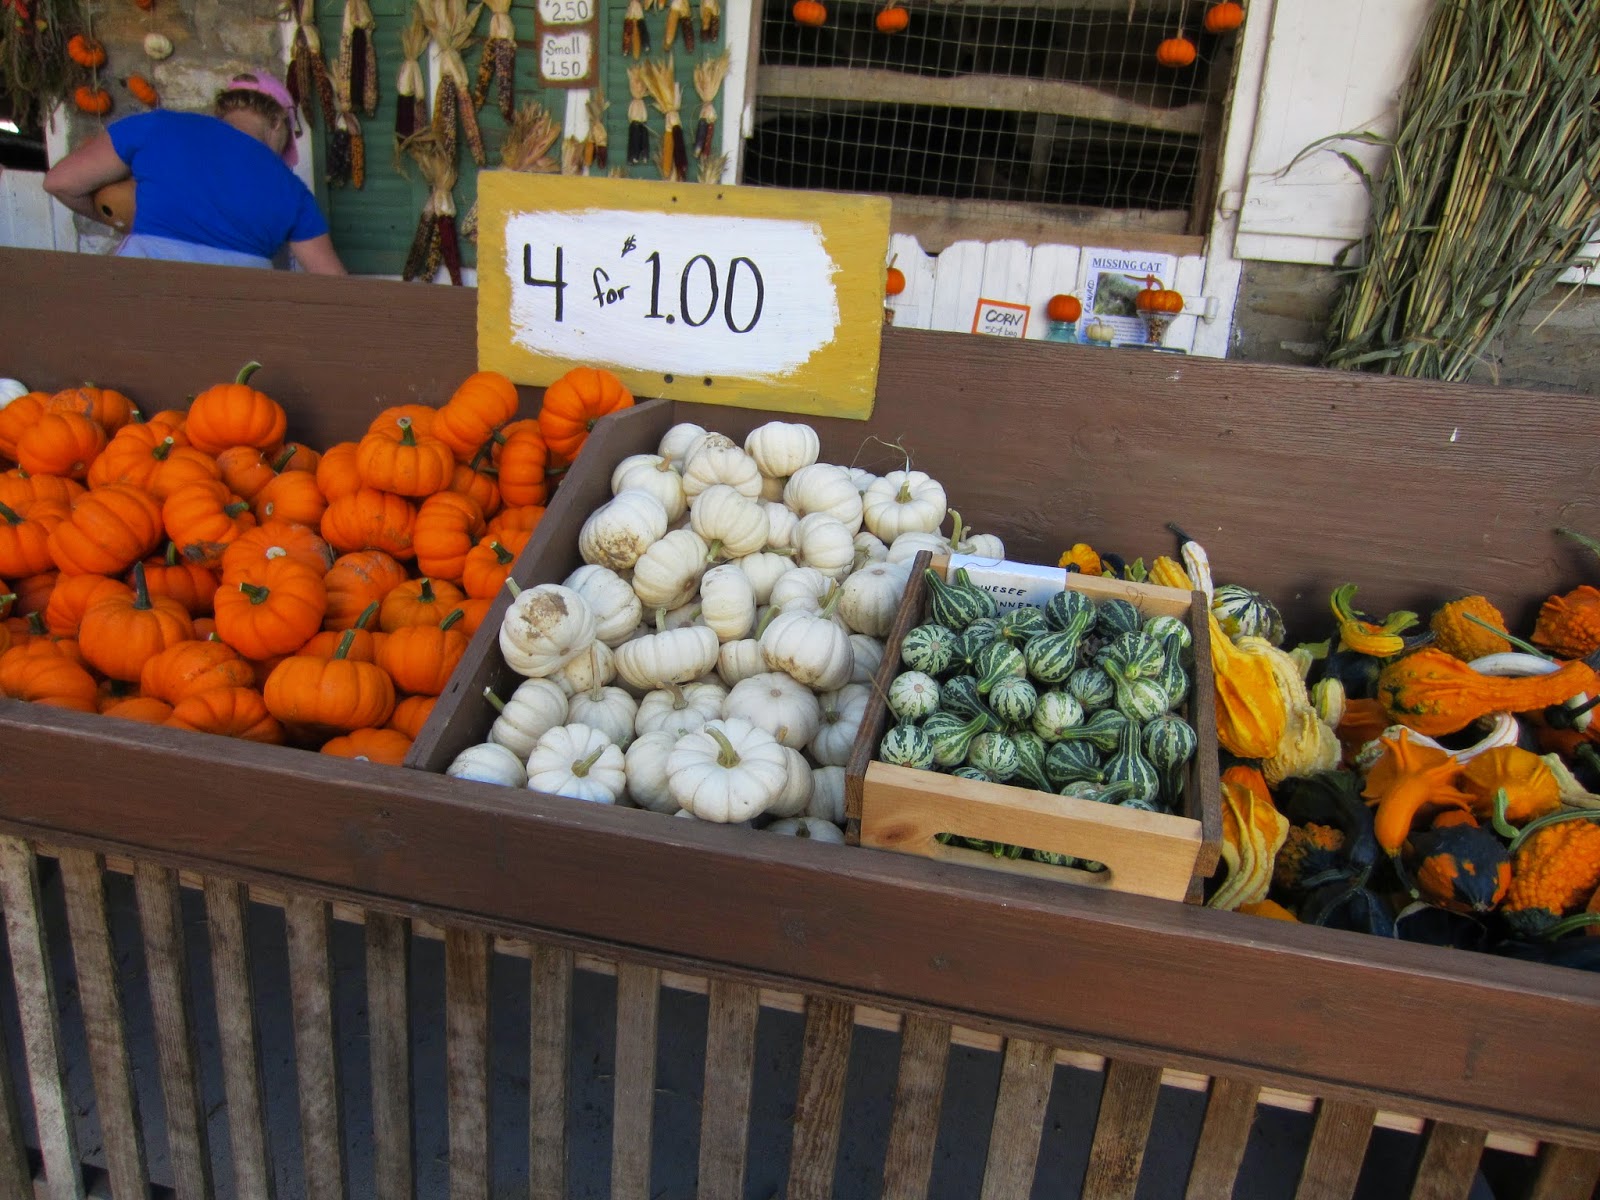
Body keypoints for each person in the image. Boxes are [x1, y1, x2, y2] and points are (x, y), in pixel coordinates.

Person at [43, 72, 345, 274]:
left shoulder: (157, 126)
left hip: (137, 297)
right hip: (231, 327)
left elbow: (60, 182)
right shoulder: (292, 190)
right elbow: (333, 284)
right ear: (277, 122)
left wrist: (127, 217)